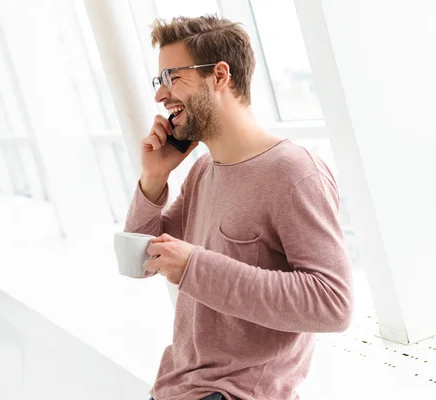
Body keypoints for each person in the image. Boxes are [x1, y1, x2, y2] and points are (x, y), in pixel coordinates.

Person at [123, 15, 354, 400]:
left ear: (219, 75)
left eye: (172, 77)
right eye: (158, 81)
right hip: (178, 388)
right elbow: (138, 262)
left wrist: (195, 266)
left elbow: (333, 302)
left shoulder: (294, 173)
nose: (160, 96)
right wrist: (153, 179)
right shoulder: (202, 171)